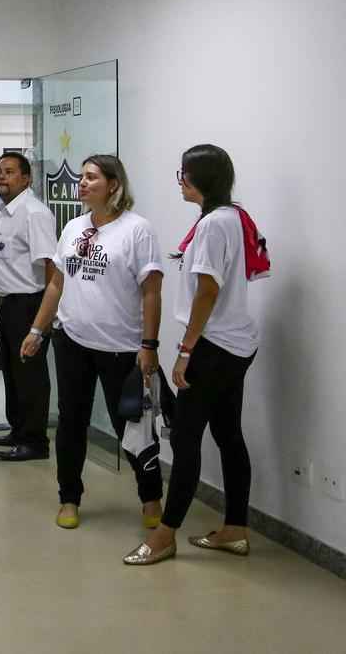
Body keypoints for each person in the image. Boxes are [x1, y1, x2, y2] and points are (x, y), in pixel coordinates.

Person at [124, 145, 260, 565]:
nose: (180, 180)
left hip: (213, 347)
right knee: (228, 435)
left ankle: (165, 535)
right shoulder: (232, 216)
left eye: (183, 173)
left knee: (185, 441)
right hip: (236, 343)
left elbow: (208, 291)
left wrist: (185, 351)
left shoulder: (214, 225)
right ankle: (235, 529)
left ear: (201, 177)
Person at [21, 154, 164, 530]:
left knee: (129, 427)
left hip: (121, 347)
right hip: (72, 342)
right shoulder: (73, 227)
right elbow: (56, 283)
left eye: (91, 177)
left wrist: (149, 345)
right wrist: (38, 331)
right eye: (81, 178)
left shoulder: (137, 230)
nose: (82, 184)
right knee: (71, 423)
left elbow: (151, 291)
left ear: (113, 185)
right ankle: (69, 497)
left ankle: (151, 497)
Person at [0, 152, 57, 462]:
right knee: (12, 374)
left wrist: (44, 321)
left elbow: (52, 270)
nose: (1, 176)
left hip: (31, 304)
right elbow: (4, 267)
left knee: (31, 376)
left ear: (26, 178)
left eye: (9, 172)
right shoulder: (3, 211)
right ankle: (18, 430)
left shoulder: (34, 213)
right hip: (8, 304)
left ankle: (35, 441)